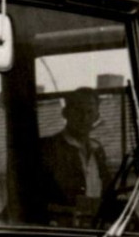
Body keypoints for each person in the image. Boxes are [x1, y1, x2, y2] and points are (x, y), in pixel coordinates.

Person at [39, 87, 109, 219]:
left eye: (90, 112)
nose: (84, 118)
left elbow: (108, 195)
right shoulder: (48, 149)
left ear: (97, 116)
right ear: (65, 113)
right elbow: (31, 200)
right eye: (78, 111)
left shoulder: (98, 151)